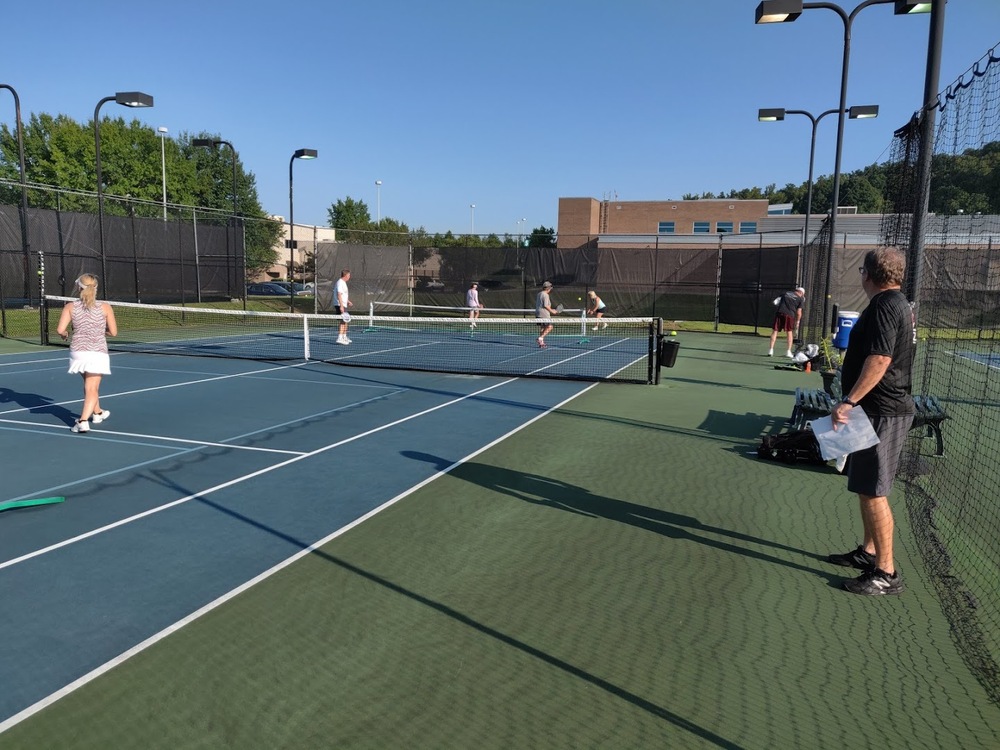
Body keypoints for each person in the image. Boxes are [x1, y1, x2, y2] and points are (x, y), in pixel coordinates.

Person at [828, 248, 915, 596]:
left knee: (874, 492)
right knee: (865, 486)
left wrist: (849, 401)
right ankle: (868, 552)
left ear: (868, 274)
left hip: (882, 411)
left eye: (862, 269)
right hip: (878, 410)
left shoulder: (884, 306)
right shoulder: (897, 304)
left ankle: (886, 573)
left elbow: (880, 359)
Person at [56, 273, 118, 433]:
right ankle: (83, 421)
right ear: (95, 288)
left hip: (78, 352)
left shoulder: (70, 306)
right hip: (97, 352)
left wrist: (64, 335)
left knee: (90, 385)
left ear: (79, 288)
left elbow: (60, 330)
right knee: (92, 387)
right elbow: (113, 332)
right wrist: (99, 331)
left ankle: (98, 413)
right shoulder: (105, 307)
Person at [768, 286, 805, 357]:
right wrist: (797, 321)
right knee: (789, 332)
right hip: (789, 315)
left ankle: (770, 350)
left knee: (775, 331)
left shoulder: (785, 293)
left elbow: (775, 302)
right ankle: (788, 352)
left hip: (779, 312)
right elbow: (799, 312)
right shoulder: (800, 299)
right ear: (801, 293)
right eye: (803, 294)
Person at [535, 280, 558, 348]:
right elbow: (545, 305)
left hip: (538, 313)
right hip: (544, 314)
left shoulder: (539, 294)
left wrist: (552, 309)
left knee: (543, 328)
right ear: (548, 288)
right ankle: (540, 338)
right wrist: (552, 311)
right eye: (550, 288)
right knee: (550, 327)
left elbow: (543, 305)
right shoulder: (545, 295)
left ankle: (541, 343)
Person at [333, 269, 352, 345]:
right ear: (346, 275)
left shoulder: (343, 283)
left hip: (344, 304)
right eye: (349, 275)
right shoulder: (340, 283)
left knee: (346, 320)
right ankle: (340, 337)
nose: (349, 277)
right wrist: (341, 306)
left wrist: (348, 301)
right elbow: (339, 294)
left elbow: (343, 294)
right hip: (339, 304)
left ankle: (344, 336)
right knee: (342, 320)